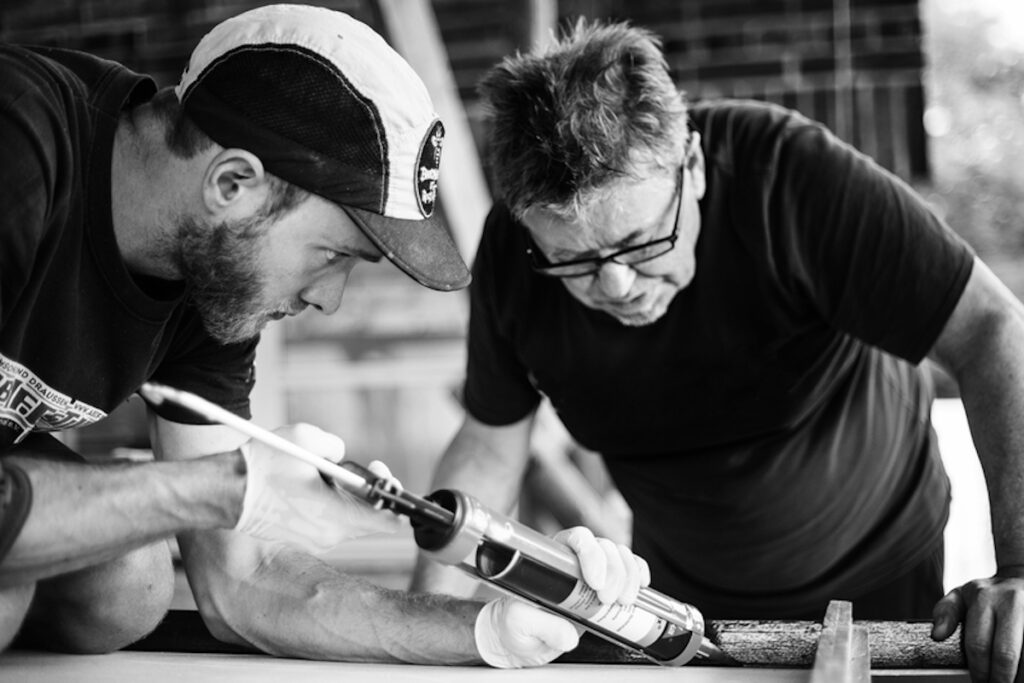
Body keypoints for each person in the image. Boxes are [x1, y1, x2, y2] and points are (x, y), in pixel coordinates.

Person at [0, 5, 652, 668]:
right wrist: (218, 487)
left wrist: (485, 632)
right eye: (334, 254)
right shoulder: (19, 146)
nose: (329, 301)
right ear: (233, 183)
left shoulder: (214, 271)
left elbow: (240, 579)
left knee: (126, 581)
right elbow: (215, 498)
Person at [409, 18, 1024, 683]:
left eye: (641, 244)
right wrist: (426, 624)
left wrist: (1021, 567)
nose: (615, 286)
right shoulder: (513, 254)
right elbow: (489, 446)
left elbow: (991, 330)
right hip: (678, 592)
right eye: (573, 262)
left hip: (877, 561)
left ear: (694, 168)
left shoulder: (790, 176)